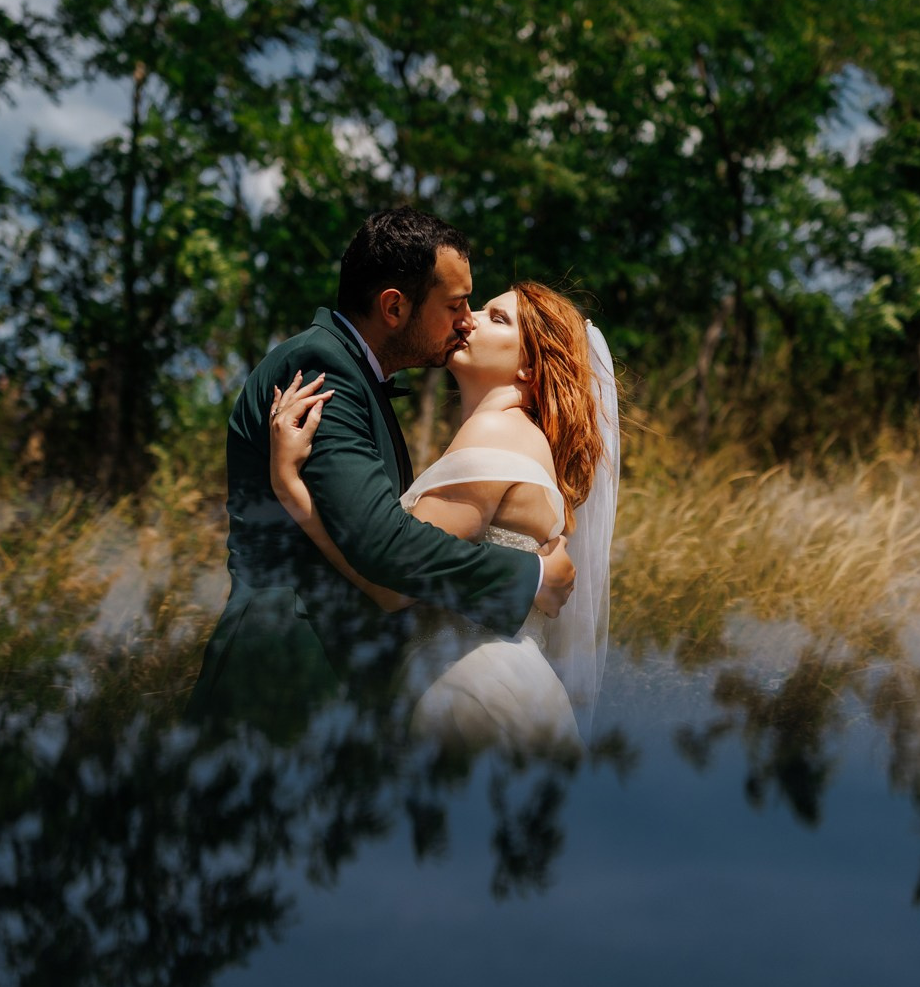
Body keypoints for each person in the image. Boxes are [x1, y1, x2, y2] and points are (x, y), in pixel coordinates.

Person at [185, 207, 577, 740]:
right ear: (394, 307)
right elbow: (386, 547)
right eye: (457, 306)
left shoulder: (372, 386)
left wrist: (293, 491)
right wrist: (526, 576)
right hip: (283, 674)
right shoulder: (325, 373)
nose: (466, 321)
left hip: (346, 684)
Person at [267, 280, 619, 754]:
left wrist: (290, 487)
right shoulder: (522, 437)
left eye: (498, 318)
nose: (468, 318)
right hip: (507, 685)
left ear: (528, 366)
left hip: (471, 691)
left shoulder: (496, 430)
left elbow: (393, 582)